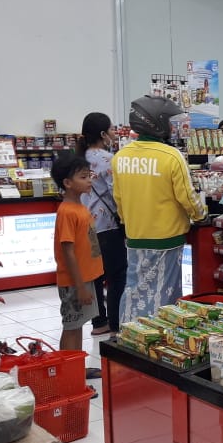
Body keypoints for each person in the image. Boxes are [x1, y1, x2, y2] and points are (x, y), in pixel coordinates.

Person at [113, 95, 207, 324]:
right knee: (163, 295)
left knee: (135, 290)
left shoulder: (120, 157)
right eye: (170, 121)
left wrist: (128, 223)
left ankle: (129, 331)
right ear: (158, 122)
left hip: (135, 237)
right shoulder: (171, 156)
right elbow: (188, 197)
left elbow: (119, 200)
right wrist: (200, 215)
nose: (173, 127)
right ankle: (157, 338)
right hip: (167, 239)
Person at [77, 112, 126, 338]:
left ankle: (99, 322)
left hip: (85, 225)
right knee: (117, 274)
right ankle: (116, 324)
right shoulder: (107, 159)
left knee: (95, 275)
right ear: (103, 134)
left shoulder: (78, 158)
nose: (115, 133)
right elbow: (117, 193)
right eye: (112, 129)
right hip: (107, 226)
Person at [50, 156, 104, 351]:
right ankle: (67, 365)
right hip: (74, 281)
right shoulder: (67, 212)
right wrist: (80, 287)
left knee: (78, 324)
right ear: (67, 183)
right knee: (71, 327)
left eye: (89, 176)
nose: (89, 180)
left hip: (84, 278)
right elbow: (68, 251)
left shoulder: (79, 207)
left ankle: (76, 364)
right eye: (83, 177)